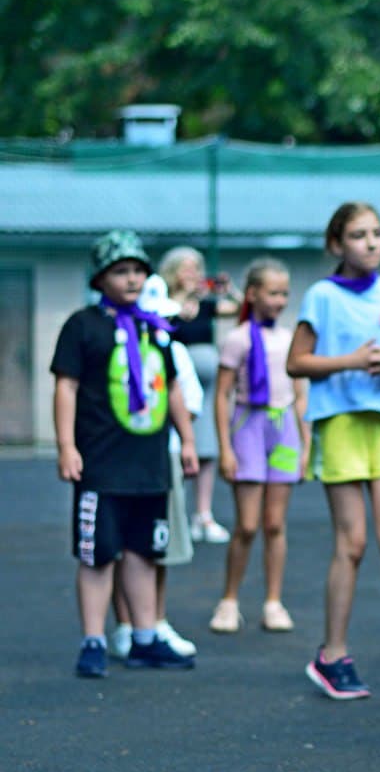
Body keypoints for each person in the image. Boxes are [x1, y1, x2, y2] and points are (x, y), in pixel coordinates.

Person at [286, 201, 380, 703]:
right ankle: (332, 655)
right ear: (337, 244)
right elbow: (296, 362)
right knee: (353, 542)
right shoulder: (321, 296)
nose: (371, 242)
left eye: (377, 233)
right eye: (359, 235)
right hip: (341, 423)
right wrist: (352, 361)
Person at [52, 230, 200, 677]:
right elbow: (67, 386)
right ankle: (94, 640)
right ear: (100, 277)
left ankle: (145, 636)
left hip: (149, 462)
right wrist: (66, 446)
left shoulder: (154, 327)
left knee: (143, 552)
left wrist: (188, 440)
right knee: (98, 553)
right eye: (121, 271)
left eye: (139, 270)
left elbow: (171, 386)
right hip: (101, 462)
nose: (133, 278)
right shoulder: (83, 326)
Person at [107, 274, 204, 662]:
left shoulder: (169, 349)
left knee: (159, 546)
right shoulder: (110, 344)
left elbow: (188, 399)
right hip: (118, 460)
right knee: (117, 547)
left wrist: (181, 438)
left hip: (160, 457)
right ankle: (126, 626)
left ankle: (156, 621)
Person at [209, 257, 309, 634]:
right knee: (247, 525)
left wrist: (304, 443)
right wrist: (225, 448)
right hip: (248, 427)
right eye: (273, 292)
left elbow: (299, 395)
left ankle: (273, 601)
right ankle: (229, 600)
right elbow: (221, 395)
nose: (280, 300)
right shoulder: (236, 339)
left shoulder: (289, 340)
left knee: (274, 523)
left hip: (283, 432)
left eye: (285, 293)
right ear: (252, 294)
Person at [162, 246, 241, 544]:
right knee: (177, 450)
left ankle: (203, 514)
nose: (193, 274)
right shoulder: (165, 306)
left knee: (206, 450)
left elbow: (242, 306)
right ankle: (175, 514)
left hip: (206, 390)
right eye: (186, 268)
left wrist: (228, 288)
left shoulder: (206, 305)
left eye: (197, 268)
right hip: (177, 391)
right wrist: (182, 301)